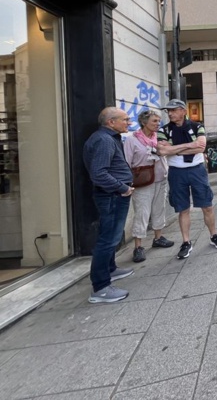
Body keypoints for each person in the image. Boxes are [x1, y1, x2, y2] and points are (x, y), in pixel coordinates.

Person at [157, 99, 217, 259]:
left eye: (173, 110)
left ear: (183, 111)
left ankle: (214, 235)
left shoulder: (197, 126)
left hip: (197, 170)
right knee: (183, 208)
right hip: (176, 172)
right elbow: (161, 150)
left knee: (207, 205)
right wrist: (189, 146)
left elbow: (201, 147)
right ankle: (186, 242)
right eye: (168, 111)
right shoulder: (164, 130)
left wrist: (174, 149)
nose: (170, 113)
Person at [83, 107, 135, 303]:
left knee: (111, 236)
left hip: (114, 194)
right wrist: (122, 187)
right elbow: (99, 173)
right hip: (112, 196)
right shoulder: (104, 141)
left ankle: (110, 270)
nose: (128, 123)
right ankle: (101, 287)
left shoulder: (107, 138)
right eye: (125, 119)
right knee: (108, 239)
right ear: (111, 122)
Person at [124, 109, 174, 263]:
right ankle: (138, 246)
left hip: (161, 178)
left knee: (159, 209)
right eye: (154, 121)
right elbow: (126, 162)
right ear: (144, 122)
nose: (157, 124)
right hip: (142, 182)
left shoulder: (159, 138)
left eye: (158, 121)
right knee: (142, 213)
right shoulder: (132, 140)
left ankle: (158, 237)